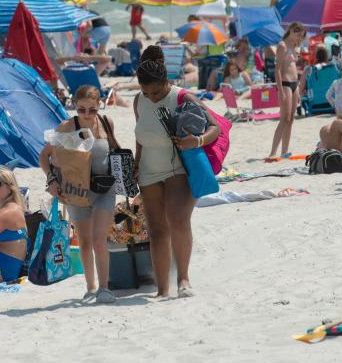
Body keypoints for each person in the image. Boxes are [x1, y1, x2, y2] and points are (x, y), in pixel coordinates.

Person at [133, 46, 220, 298]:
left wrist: (198, 141)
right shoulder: (139, 101)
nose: (151, 97)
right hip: (149, 172)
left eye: (156, 91)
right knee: (157, 230)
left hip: (177, 170)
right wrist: (137, 163)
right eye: (146, 92)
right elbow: (141, 134)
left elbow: (215, 127)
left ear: (166, 82)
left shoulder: (182, 97)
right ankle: (162, 290)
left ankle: (183, 279)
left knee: (178, 220)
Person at [40, 85, 120, 304]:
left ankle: (105, 288)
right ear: (75, 105)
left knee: (99, 240)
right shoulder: (67, 127)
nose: (87, 115)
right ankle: (91, 287)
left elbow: (114, 149)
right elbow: (44, 156)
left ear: (99, 106)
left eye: (92, 110)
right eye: (82, 109)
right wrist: (51, 179)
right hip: (76, 190)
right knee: (84, 242)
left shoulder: (106, 123)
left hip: (104, 189)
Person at [268, 22, 306, 161]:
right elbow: (277, 69)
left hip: (295, 84)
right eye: (298, 35)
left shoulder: (294, 47)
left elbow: (294, 67)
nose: (299, 38)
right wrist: (279, 90)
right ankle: (273, 151)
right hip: (284, 84)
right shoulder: (282, 45)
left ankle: (285, 151)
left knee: (291, 119)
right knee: (284, 118)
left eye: (301, 36)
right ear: (291, 31)